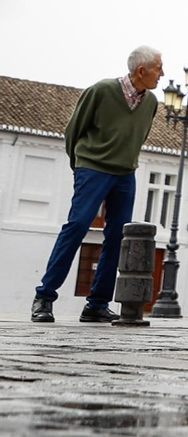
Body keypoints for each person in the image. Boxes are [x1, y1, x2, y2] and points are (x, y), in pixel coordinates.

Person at [31, 47, 164, 323]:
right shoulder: (101, 90)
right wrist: (80, 167)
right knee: (77, 226)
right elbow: (73, 131)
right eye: (159, 68)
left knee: (118, 237)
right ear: (142, 71)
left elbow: (137, 137)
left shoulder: (150, 102)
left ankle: (97, 304)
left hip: (125, 174)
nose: (162, 74)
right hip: (92, 168)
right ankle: (44, 297)